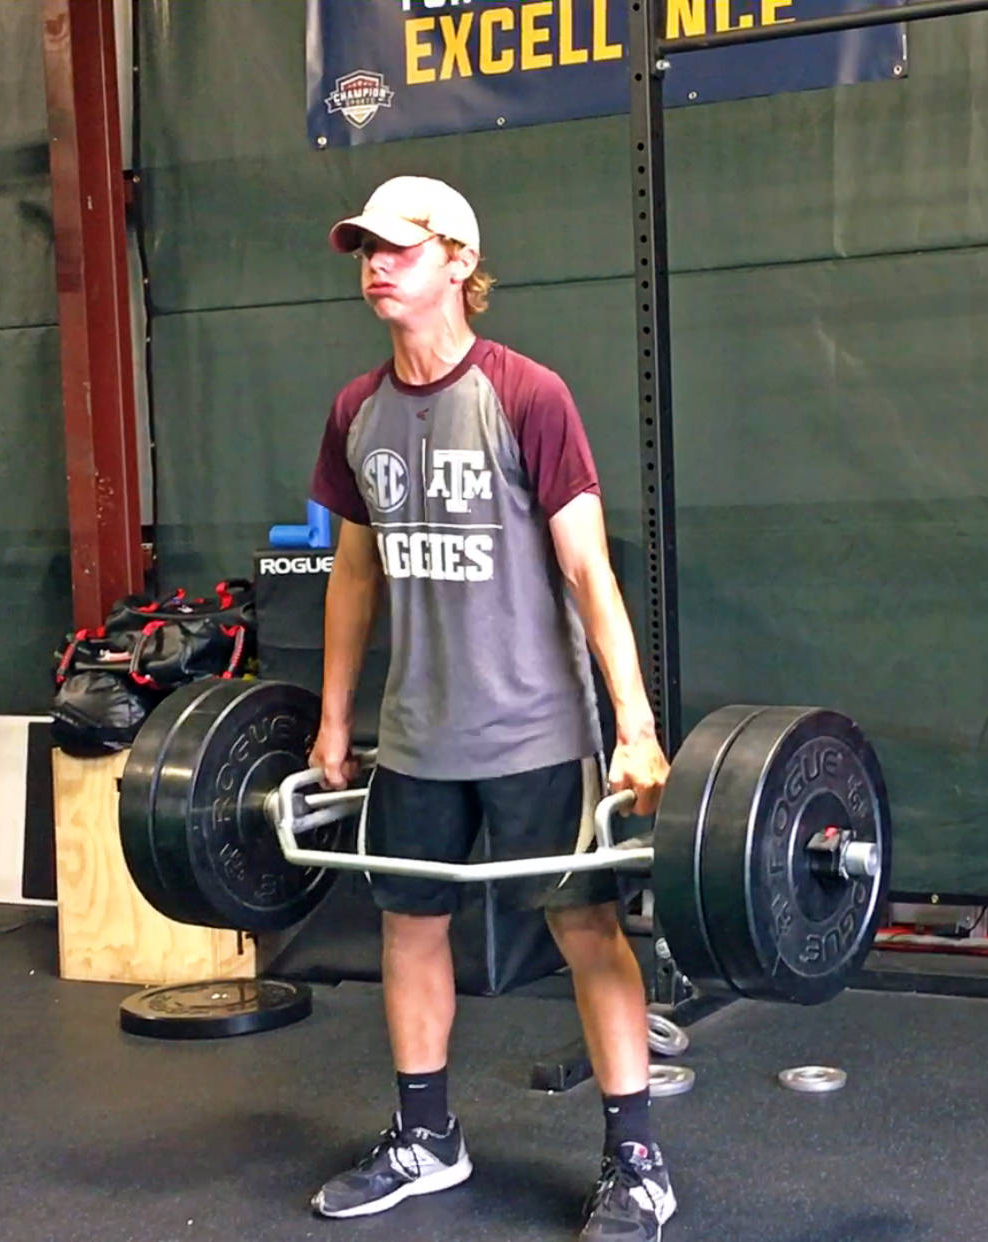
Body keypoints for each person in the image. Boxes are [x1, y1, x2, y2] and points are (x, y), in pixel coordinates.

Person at [303, 175, 679, 1242]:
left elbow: (588, 571)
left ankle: (637, 1161)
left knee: (586, 926)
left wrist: (636, 725)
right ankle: (427, 1137)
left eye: (399, 249)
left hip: (534, 733)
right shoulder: (356, 412)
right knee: (410, 927)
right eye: (365, 251)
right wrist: (336, 721)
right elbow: (353, 578)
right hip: (420, 733)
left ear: (459, 261)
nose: (376, 266)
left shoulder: (526, 395)